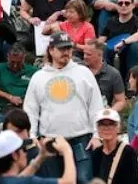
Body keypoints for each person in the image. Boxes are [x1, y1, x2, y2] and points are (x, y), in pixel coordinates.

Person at [24, 32, 104, 184]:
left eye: (68, 48)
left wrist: (96, 135)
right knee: (55, 182)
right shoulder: (38, 77)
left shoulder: (84, 73)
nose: (66, 52)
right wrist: (32, 135)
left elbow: (96, 106)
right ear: (51, 50)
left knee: (83, 180)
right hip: (50, 141)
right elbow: (30, 109)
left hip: (81, 139)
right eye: (61, 49)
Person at [0, 130, 77, 184]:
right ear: (15, 155)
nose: (25, 153)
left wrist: (41, 156)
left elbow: (19, 179)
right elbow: (69, 182)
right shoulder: (27, 181)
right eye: (23, 150)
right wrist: (67, 150)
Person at [0, 43, 37, 124]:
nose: (15, 66)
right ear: (8, 57)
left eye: (18, 63)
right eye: (12, 62)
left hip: (26, 110)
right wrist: (9, 97)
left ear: (23, 58)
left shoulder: (33, 71)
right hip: (5, 110)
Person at [90, 108, 138, 184]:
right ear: (97, 128)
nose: (106, 128)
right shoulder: (96, 154)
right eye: (102, 124)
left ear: (118, 127)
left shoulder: (127, 152)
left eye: (111, 124)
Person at [83, 40, 126, 111]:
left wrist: (108, 113)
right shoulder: (79, 70)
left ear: (100, 55)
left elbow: (121, 101)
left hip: (101, 112)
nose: (85, 57)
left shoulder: (113, 74)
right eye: (84, 53)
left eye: (88, 54)